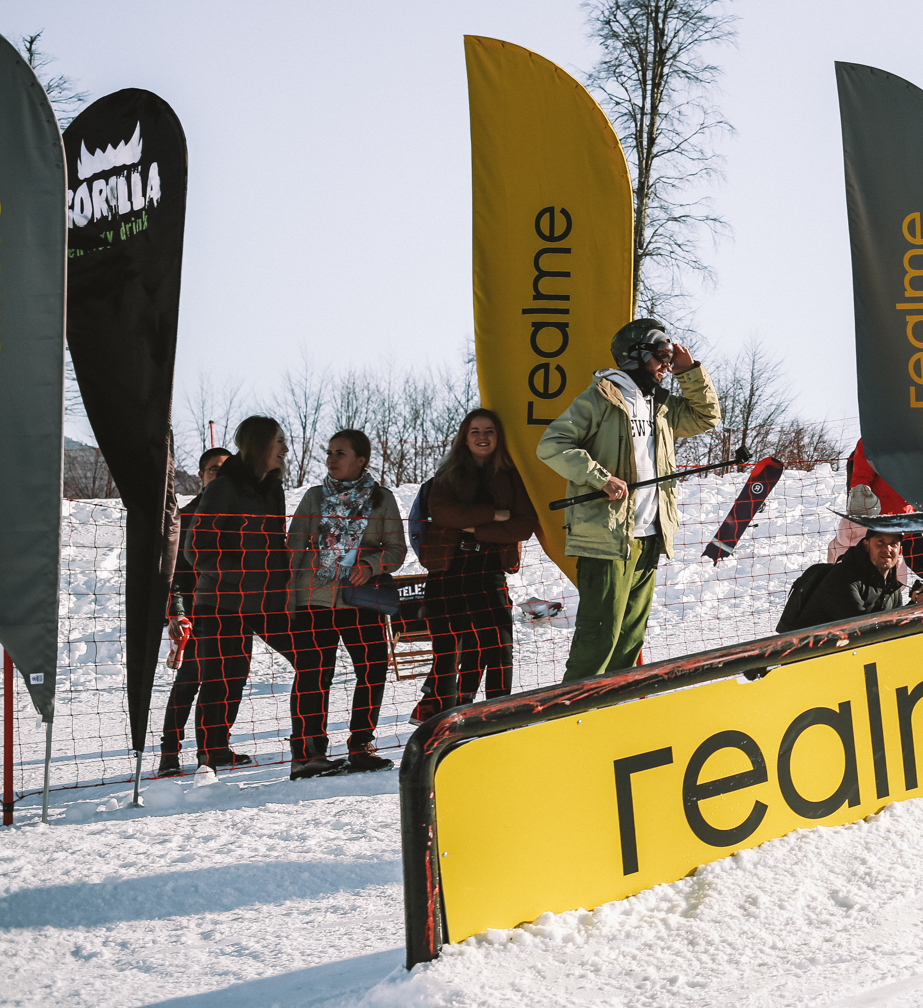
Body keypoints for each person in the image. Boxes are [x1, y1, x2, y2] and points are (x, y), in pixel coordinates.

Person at [539, 319, 720, 679]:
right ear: (636, 355)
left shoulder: (662, 405)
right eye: (662, 355)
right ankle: (571, 707)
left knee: (629, 639)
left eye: (669, 356)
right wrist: (600, 478)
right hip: (607, 539)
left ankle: (614, 706)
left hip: (649, 537)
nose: (667, 364)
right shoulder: (601, 398)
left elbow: (707, 417)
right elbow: (552, 445)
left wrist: (689, 372)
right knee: (599, 637)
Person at [285, 429, 408, 773]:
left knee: (373, 667)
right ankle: (307, 754)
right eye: (329, 452)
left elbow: (396, 549)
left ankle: (361, 746)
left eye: (340, 453)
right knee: (313, 673)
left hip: (362, 599)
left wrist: (370, 566)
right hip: (314, 599)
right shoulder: (313, 497)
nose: (331, 459)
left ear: (361, 459)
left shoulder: (382, 500)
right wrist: (288, 598)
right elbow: (293, 548)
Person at [186, 416, 303, 773]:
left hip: (267, 599)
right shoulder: (223, 488)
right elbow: (196, 548)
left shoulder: (273, 489)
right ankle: (212, 752)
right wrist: (240, 573)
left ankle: (308, 743)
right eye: (279, 442)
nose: (286, 449)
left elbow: (274, 545)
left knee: (310, 656)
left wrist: (285, 582)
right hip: (221, 601)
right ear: (260, 444)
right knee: (226, 676)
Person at [415, 409, 538, 717]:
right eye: (475, 431)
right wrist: (495, 515)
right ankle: (446, 721)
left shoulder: (512, 475)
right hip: (448, 569)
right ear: (464, 438)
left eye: (489, 431)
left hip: (489, 569)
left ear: (498, 437)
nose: (482, 437)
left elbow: (523, 525)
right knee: (447, 653)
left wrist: (474, 527)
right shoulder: (447, 474)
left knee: (500, 648)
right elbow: (443, 513)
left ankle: (499, 718)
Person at [155, 447, 231, 778]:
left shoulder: (236, 516)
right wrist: (177, 612)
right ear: (201, 475)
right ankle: (169, 753)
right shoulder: (184, 518)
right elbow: (172, 575)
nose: (219, 475)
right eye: (213, 469)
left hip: (229, 612)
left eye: (225, 470)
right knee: (189, 683)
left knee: (224, 683)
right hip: (196, 614)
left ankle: (214, 750)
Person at [845, 441, 923, 597]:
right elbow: (861, 474)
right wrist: (859, 494)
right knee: (875, 581)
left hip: (908, 525)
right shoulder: (874, 439)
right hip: (883, 524)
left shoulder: (915, 439)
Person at [786, 531, 908, 628]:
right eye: (880, 542)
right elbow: (861, 627)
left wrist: (915, 604)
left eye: (893, 544)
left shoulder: (891, 585)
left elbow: (896, 627)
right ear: (866, 545)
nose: (887, 549)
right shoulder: (843, 577)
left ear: (900, 551)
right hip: (810, 650)